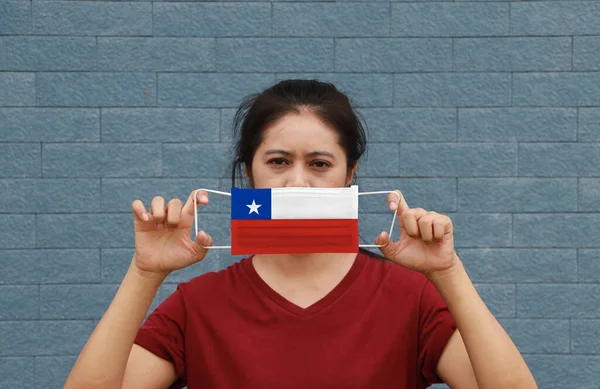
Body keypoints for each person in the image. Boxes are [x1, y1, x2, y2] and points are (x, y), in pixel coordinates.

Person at [64, 80, 537, 389]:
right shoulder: (198, 304)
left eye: (319, 164)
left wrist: (448, 273)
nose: (296, 182)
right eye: (277, 162)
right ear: (249, 175)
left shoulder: (410, 299)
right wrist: (144, 272)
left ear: (349, 175)